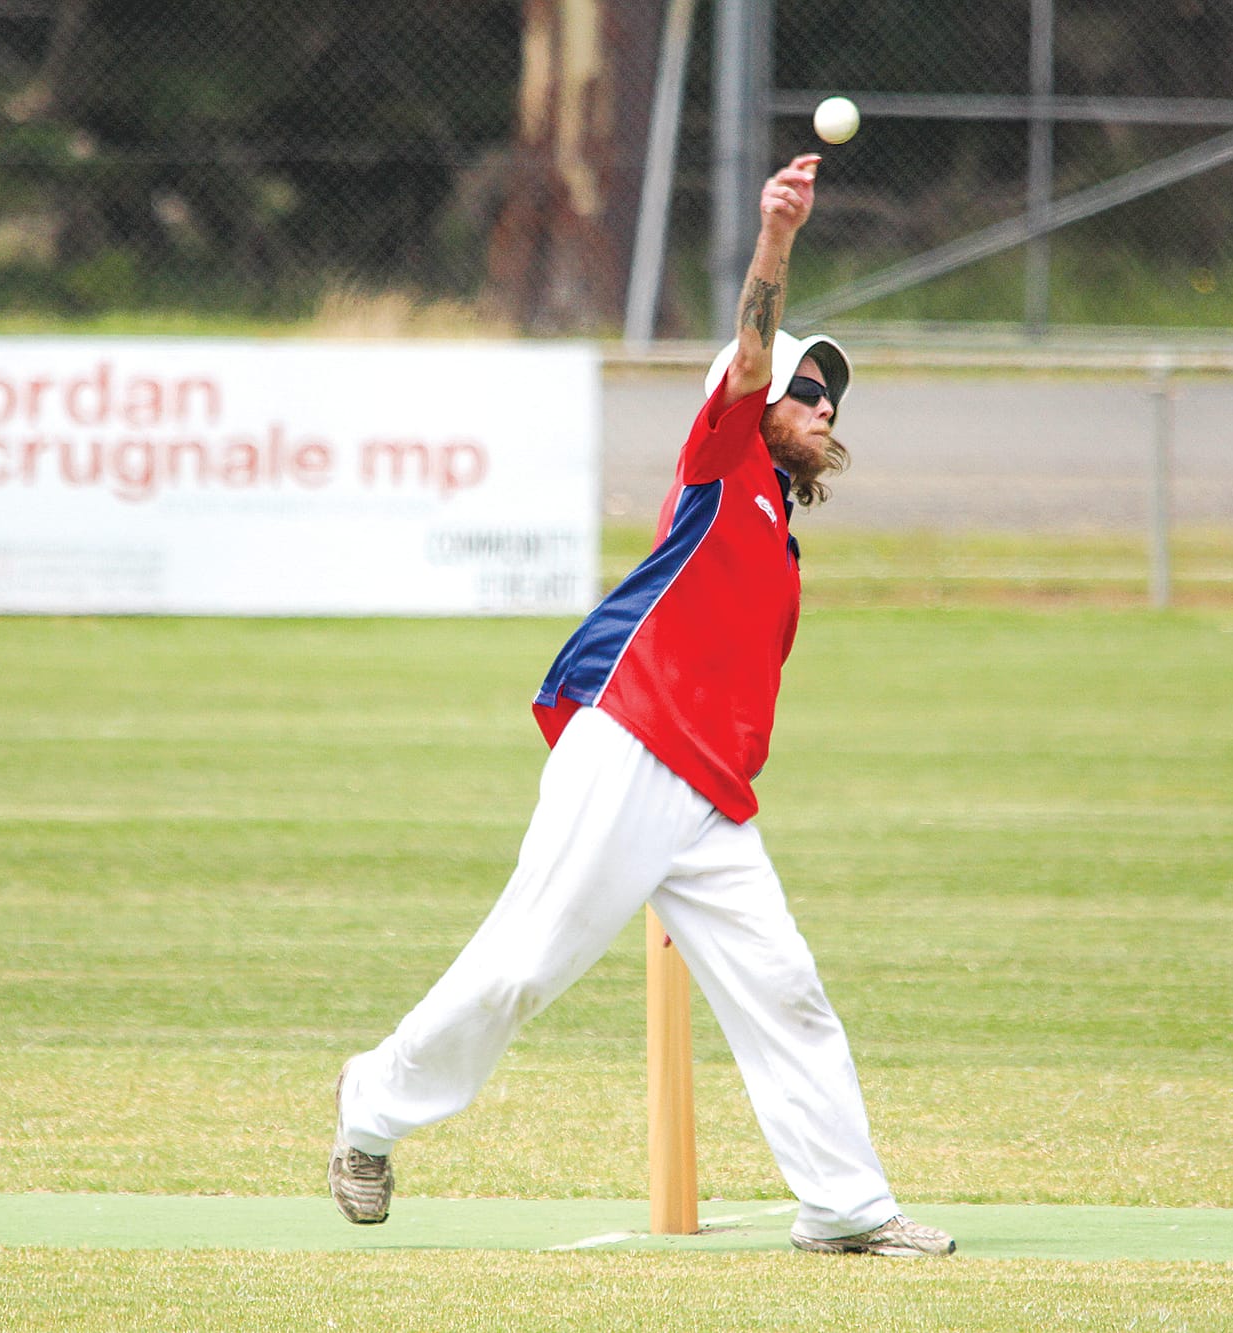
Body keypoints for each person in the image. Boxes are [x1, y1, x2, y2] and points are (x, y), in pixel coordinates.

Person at [329, 153, 955, 1259]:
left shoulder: (778, 531)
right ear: (753, 399)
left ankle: (844, 1207)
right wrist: (778, 235)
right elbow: (753, 348)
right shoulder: (721, 464)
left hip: (707, 796)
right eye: (805, 389)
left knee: (785, 988)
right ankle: (370, 1109)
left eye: (831, 396)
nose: (822, 405)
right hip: (630, 746)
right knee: (524, 966)